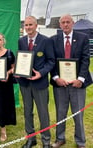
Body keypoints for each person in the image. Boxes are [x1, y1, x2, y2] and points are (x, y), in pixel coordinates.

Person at [50, 14, 93, 148]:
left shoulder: (83, 38)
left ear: (73, 23)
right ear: (60, 24)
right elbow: (51, 61)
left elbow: (86, 59)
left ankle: (80, 142)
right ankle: (60, 139)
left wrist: (80, 79)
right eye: (63, 22)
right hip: (60, 84)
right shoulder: (54, 40)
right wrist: (56, 78)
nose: (66, 24)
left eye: (68, 22)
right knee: (61, 113)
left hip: (77, 84)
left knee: (78, 114)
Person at [17, 16, 55, 148]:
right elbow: (21, 59)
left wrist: (41, 73)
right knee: (27, 111)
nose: (28, 27)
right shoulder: (21, 41)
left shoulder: (46, 41)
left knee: (43, 112)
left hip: (40, 84)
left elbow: (51, 61)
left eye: (30, 25)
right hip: (25, 84)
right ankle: (30, 139)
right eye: (26, 25)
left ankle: (46, 141)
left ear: (36, 25)